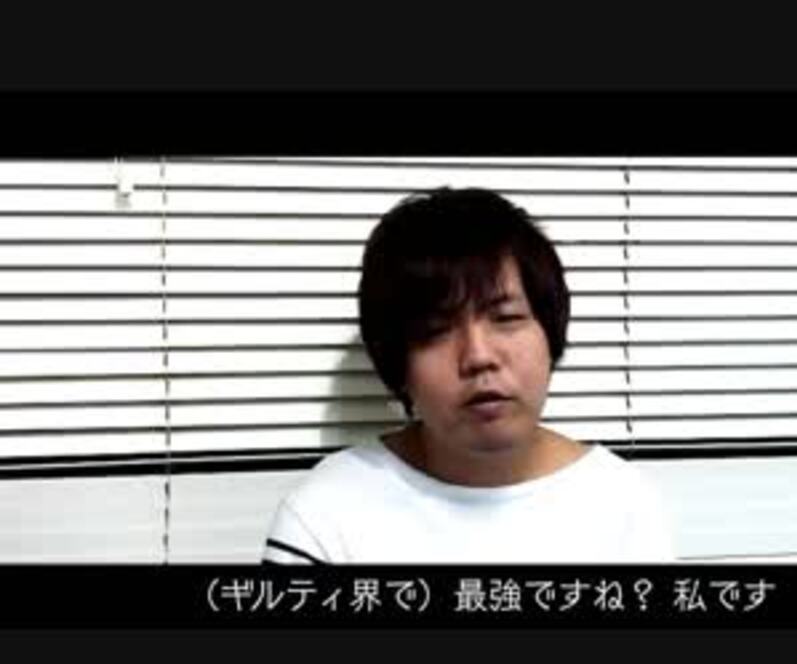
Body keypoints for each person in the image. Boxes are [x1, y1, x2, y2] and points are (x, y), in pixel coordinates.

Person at [263, 187, 675, 564]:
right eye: (435, 330)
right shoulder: (326, 514)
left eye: (506, 318)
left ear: (550, 332)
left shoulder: (623, 504)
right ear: (397, 364)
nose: (479, 356)